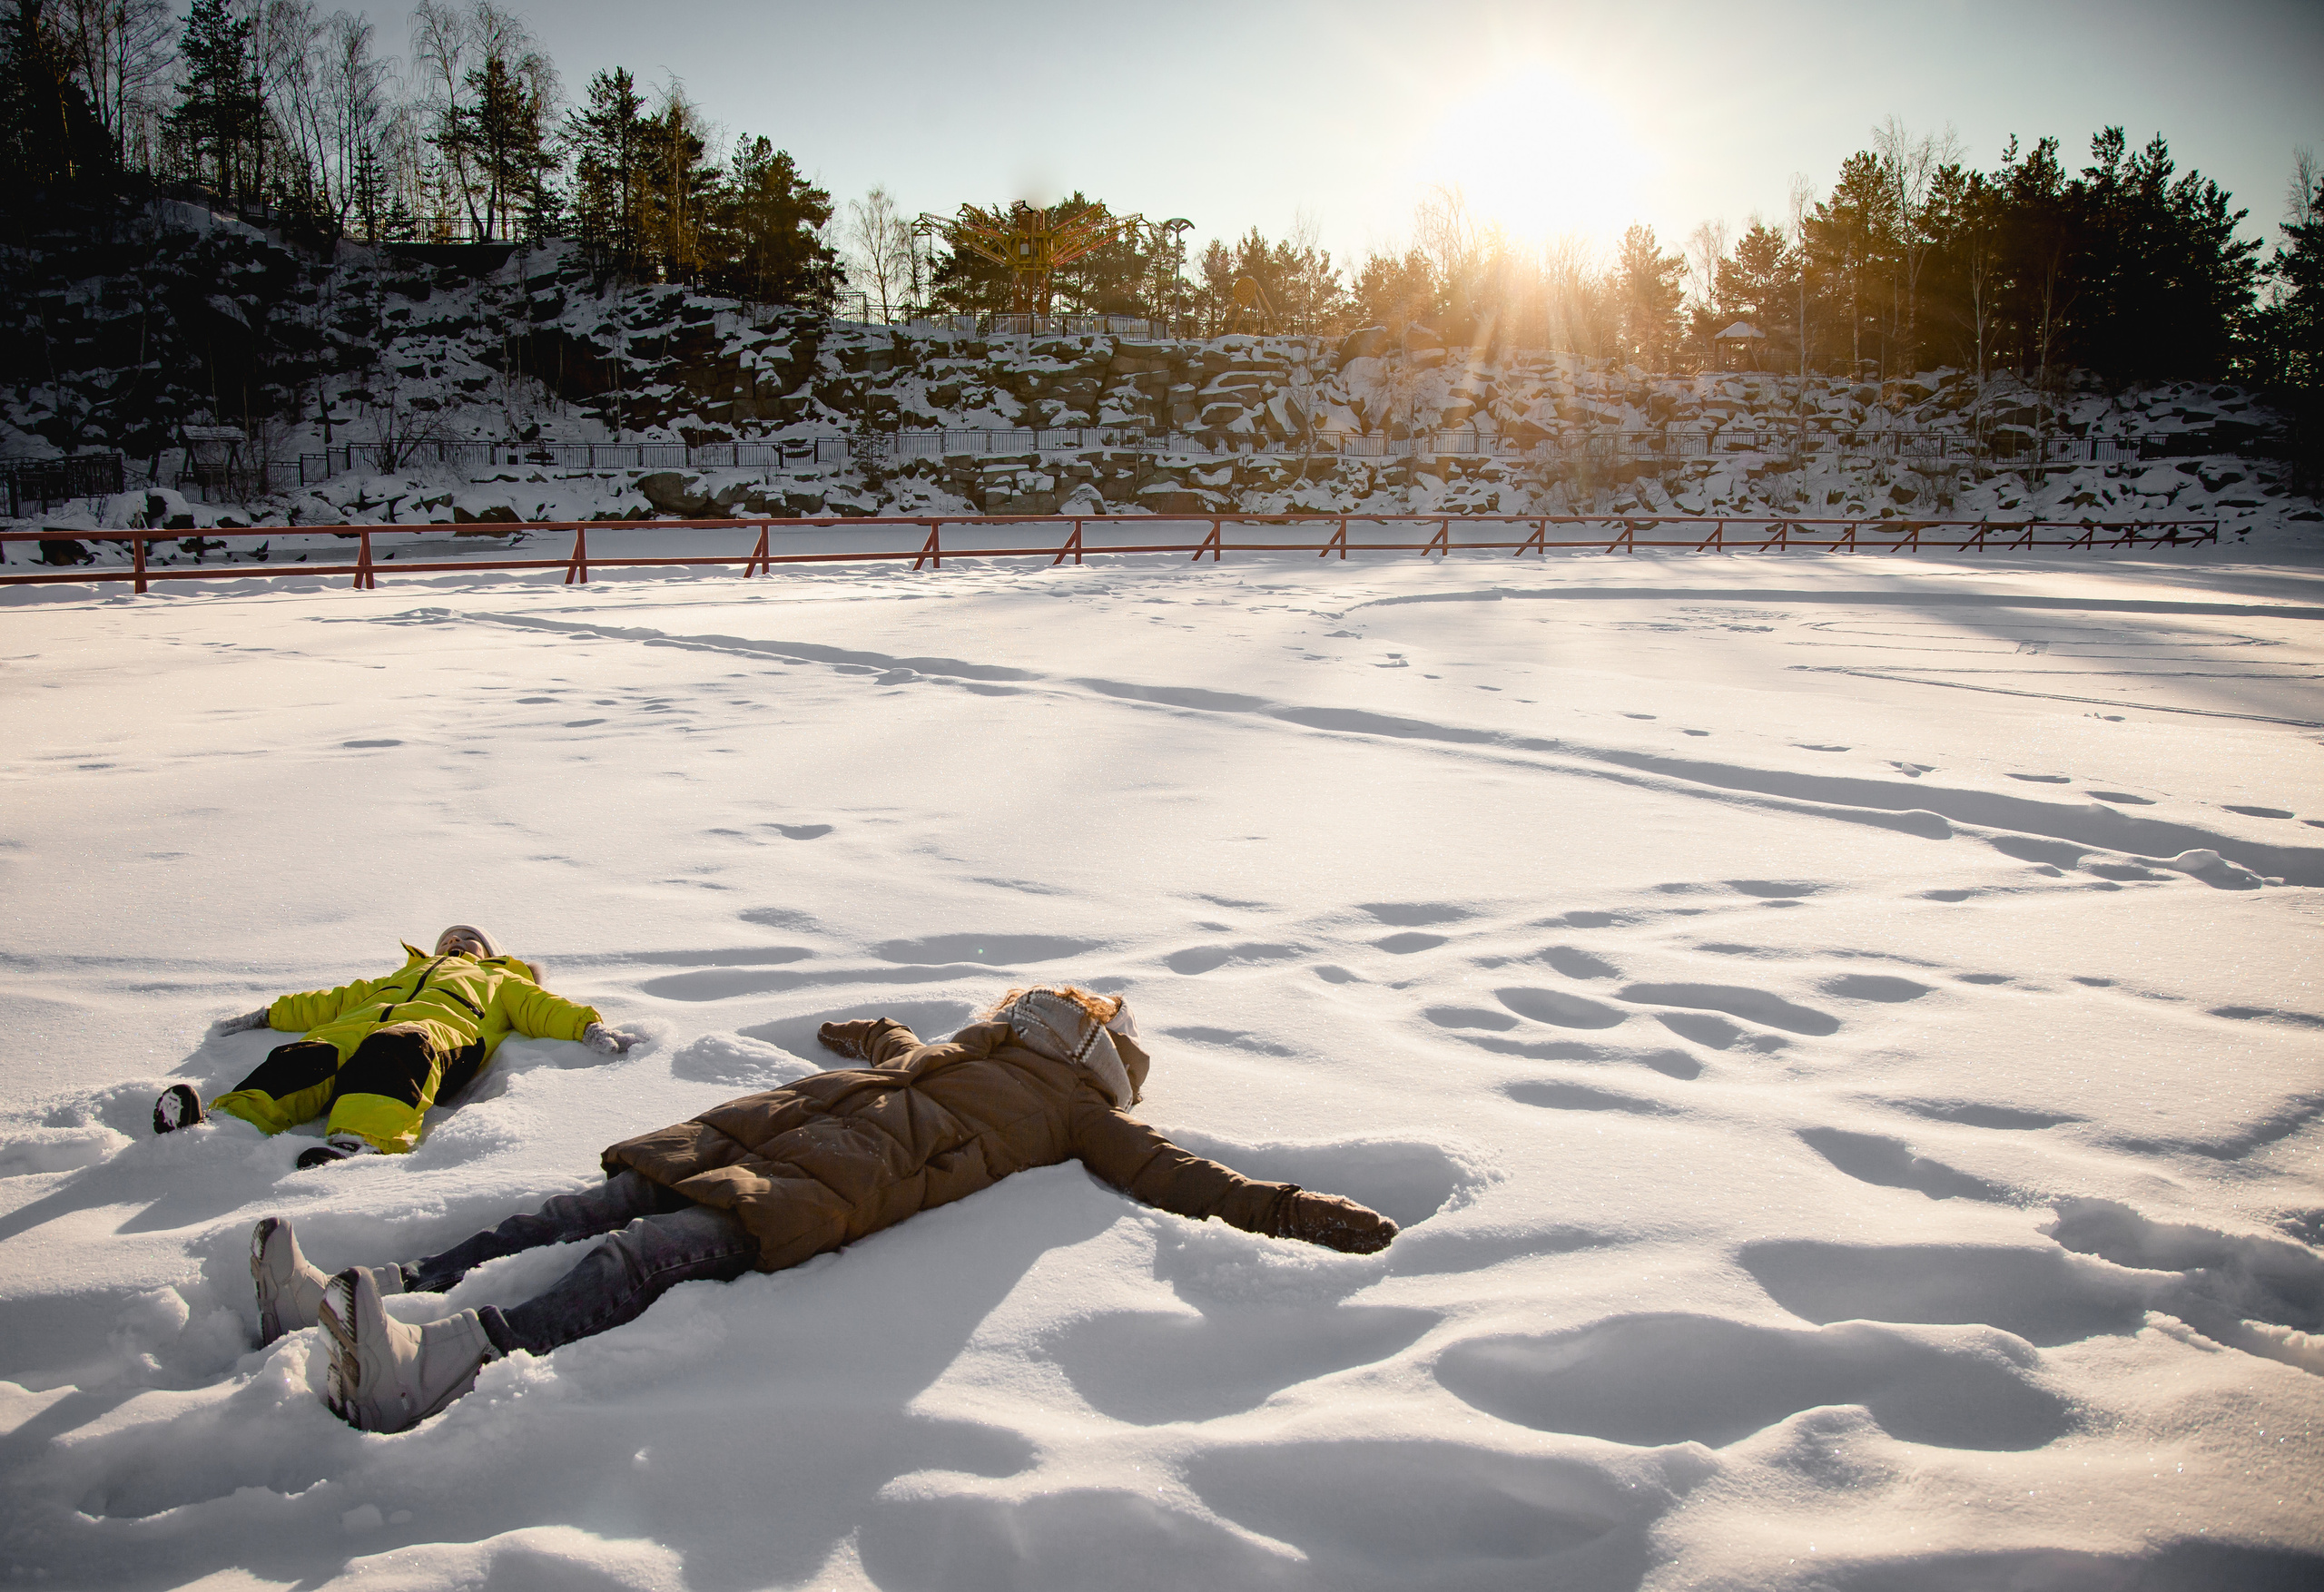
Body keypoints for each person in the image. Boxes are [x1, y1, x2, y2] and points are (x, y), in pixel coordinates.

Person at [248, 985, 1399, 1431]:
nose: (1038, 1011)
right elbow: (897, 1044)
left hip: (822, 1188)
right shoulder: (965, 1044)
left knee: (644, 1250)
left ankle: (437, 1361)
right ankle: (372, 1294)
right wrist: (863, 1032)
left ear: (1089, 1050)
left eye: (1063, 1012)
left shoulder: (1081, 1112)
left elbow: (1187, 1176)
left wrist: (1299, 1212)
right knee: (575, 1203)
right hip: (753, 1134)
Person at [158, 925, 638, 1168]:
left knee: (396, 1048)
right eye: (450, 937)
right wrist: (270, 1016)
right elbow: (333, 1001)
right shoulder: (401, 975)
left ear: (489, 954)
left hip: (438, 1038)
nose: (458, 942)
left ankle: (362, 1142)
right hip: (354, 1029)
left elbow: (541, 1006)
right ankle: (225, 1127)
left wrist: (587, 1027)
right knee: (307, 1054)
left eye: (470, 939)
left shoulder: (498, 980)